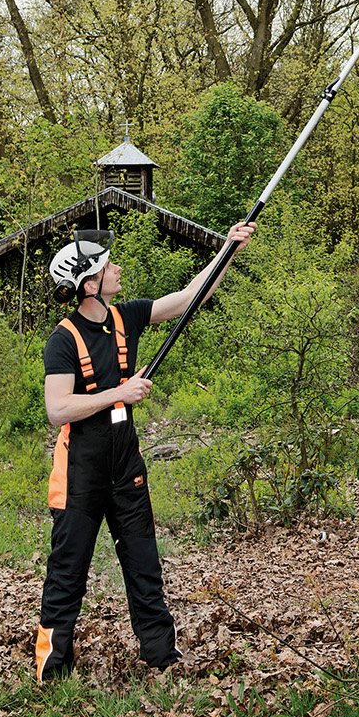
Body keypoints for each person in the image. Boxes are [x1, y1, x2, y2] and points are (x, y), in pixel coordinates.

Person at [34, 219, 255, 683]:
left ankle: (161, 657)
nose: (117, 269)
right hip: (79, 474)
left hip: (125, 467)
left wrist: (228, 249)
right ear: (88, 285)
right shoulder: (63, 339)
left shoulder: (127, 315)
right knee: (67, 572)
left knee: (143, 563)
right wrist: (119, 393)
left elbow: (191, 297)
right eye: (107, 266)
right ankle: (51, 669)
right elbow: (58, 409)